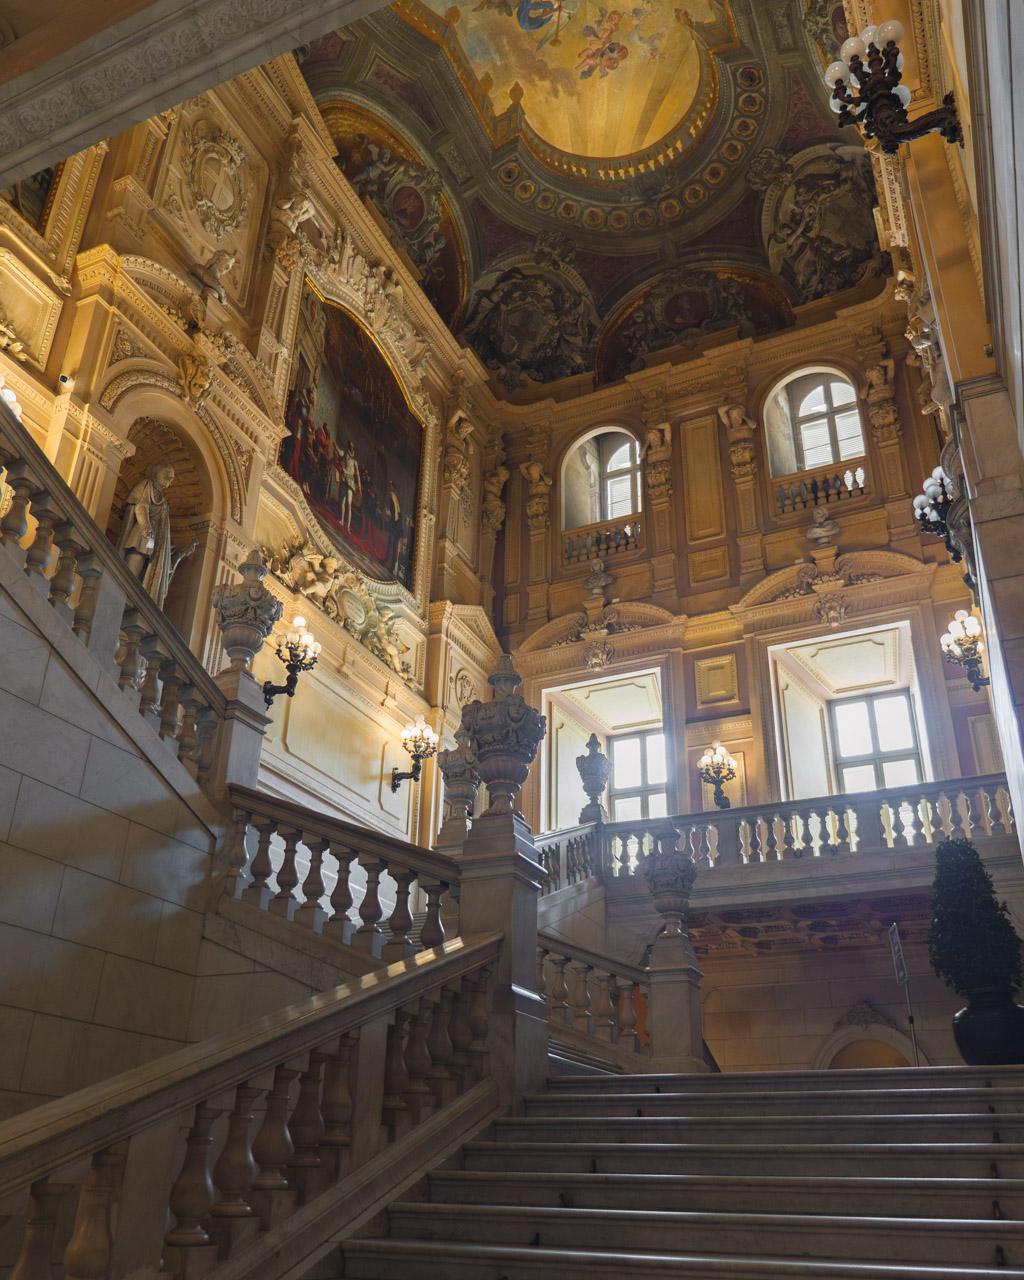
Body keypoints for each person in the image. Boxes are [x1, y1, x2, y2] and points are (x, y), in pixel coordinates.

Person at [116, 463, 197, 609]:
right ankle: (120, 596)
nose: (169, 479)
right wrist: (147, 531)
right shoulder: (146, 485)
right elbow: (141, 507)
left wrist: (176, 553)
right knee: (133, 567)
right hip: (143, 536)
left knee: (150, 566)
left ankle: (131, 599)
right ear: (157, 473)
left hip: (153, 540)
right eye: (167, 475)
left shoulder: (162, 498)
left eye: (171, 478)